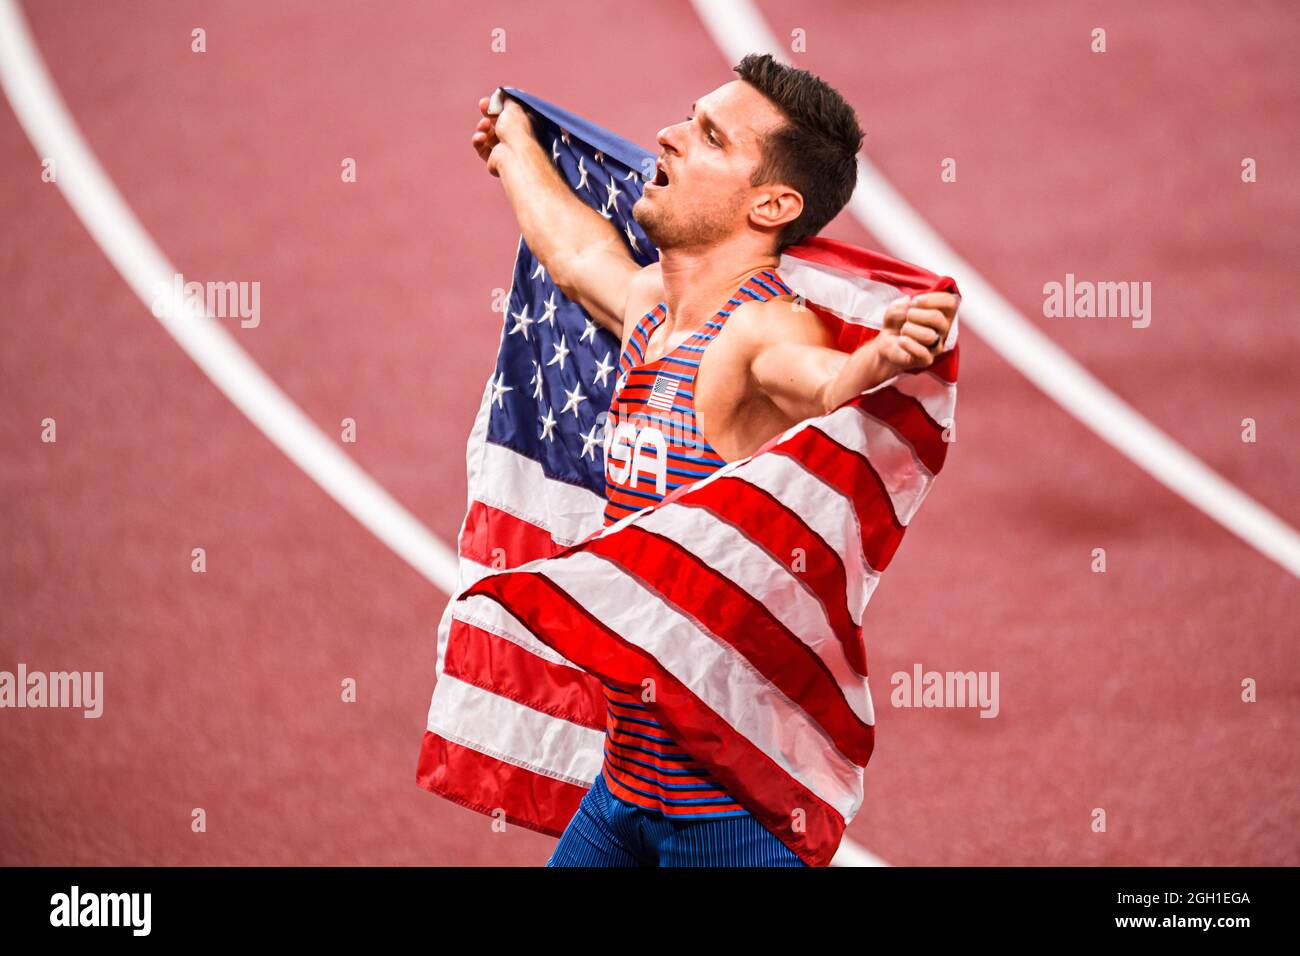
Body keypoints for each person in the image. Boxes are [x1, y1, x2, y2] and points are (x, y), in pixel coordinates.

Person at [471, 53, 957, 867]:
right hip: (624, 791)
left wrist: (877, 361)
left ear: (772, 203)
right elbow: (579, 256)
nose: (668, 136)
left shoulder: (761, 331)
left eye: (707, 136)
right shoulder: (656, 313)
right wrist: (516, 145)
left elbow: (821, 382)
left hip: (729, 820)